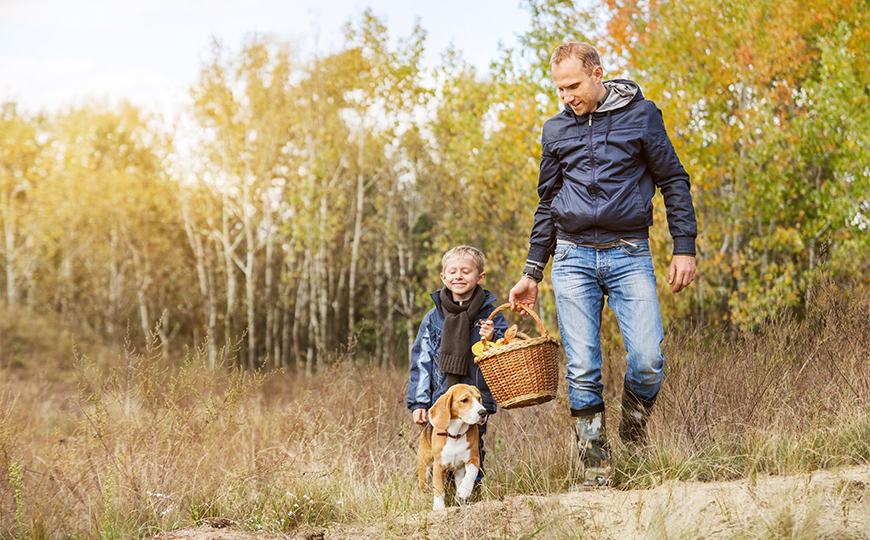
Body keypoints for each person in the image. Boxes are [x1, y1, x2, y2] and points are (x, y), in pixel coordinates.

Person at [508, 42, 698, 488]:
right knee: (582, 368)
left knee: (648, 359)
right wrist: (532, 271)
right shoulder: (555, 129)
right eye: (559, 89)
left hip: (629, 253)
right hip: (572, 258)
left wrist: (684, 246)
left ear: (597, 74)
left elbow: (673, 179)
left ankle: (633, 427)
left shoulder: (642, 115)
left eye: (573, 85)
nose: (566, 96)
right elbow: (547, 203)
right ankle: (596, 472)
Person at [407, 245, 508, 482]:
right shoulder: (433, 318)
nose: (458, 276)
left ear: (480, 277)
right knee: (441, 446)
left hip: (475, 399)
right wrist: (419, 401)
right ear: (443, 277)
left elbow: (505, 351)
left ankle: (471, 492)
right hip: (442, 399)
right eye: (452, 272)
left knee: (472, 446)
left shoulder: (491, 316)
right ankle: (443, 495)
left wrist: (493, 337)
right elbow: (422, 360)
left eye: (466, 271)